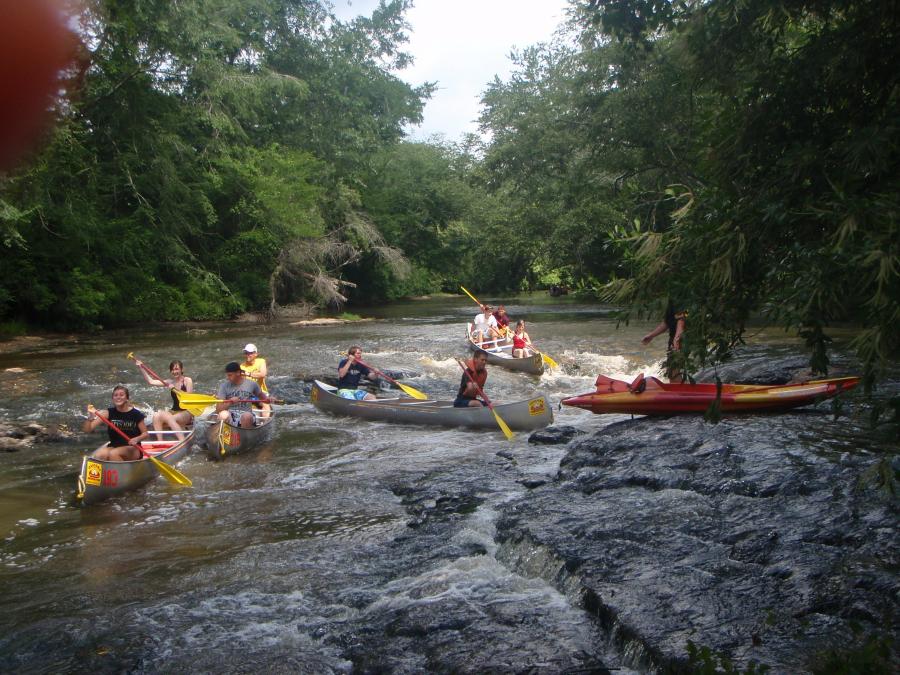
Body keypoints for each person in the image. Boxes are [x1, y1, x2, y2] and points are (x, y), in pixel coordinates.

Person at [82, 385, 149, 461]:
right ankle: (107, 472)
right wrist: (90, 418)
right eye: (115, 395)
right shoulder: (107, 413)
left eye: (121, 395)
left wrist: (136, 439)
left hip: (133, 448)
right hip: (114, 446)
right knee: (99, 455)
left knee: (114, 453)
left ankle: (121, 472)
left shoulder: (136, 414)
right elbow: (88, 429)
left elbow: (145, 434)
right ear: (113, 398)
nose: (118, 397)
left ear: (127, 398)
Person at [135, 358, 194, 437]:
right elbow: (151, 381)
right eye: (172, 370)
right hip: (174, 411)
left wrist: (174, 389)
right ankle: (160, 442)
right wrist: (141, 367)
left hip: (186, 412)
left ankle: (181, 439)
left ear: (181, 369)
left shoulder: (187, 380)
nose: (174, 372)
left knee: (171, 419)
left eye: (176, 369)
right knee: (156, 416)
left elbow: (188, 397)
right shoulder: (170, 382)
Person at [641, 301, 687, 380]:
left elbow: (681, 320)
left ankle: (677, 391)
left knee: (674, 369)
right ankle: (676, 389)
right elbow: (667, 322)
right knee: (671, 370)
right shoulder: (672, 299)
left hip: (684, 338)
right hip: (675, 338)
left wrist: (677, 338)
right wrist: (651, 335)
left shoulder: (681, 296)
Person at [215, 362, 264, 429]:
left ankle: (244, 437)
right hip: (230, 414)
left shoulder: (252, 384)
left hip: (246, 414)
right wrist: (230, 402)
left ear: (238, 373)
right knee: (223, 415)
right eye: (227, 375)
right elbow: (218, 410)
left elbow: (263, 398)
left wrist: (270, 399)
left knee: (246, 416)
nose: (228, 378)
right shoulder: (224, 386)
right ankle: (225, 435)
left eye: (230, 375)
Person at [240, 343, 271, 418]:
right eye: (246, 353)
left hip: (261, 393)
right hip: (248, 394)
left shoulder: (261, 361)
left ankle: (264, 422)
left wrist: (248, 374)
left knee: (266, 405)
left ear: (255, 354)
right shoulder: (241, 366)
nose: (248, 355)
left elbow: (263, 374)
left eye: (250, 353)